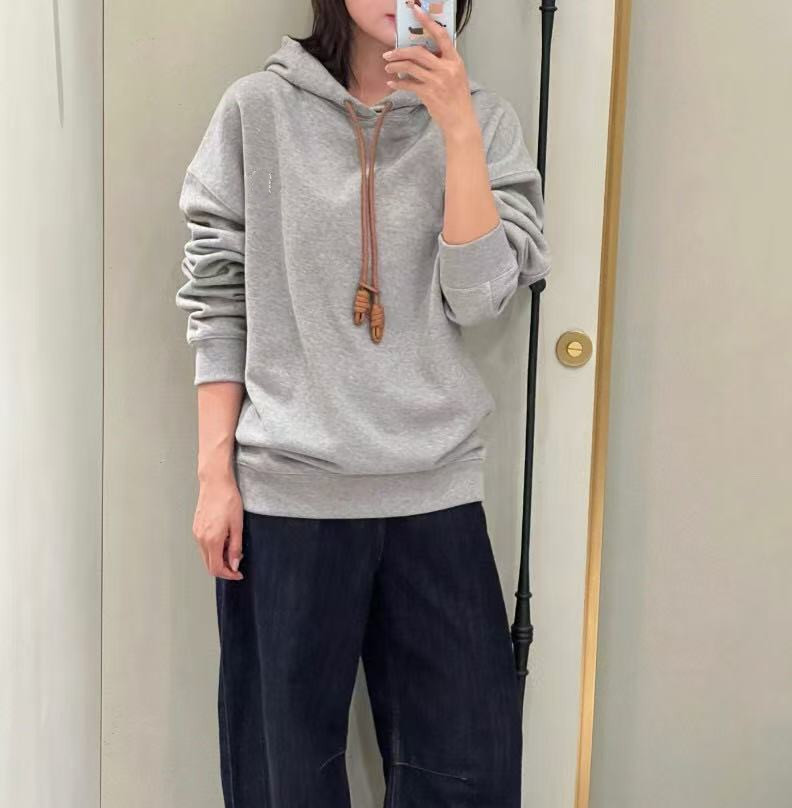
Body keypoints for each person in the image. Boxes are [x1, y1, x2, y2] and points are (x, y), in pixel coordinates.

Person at [175, 0, 552, 805]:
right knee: (283, 779)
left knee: (469, 774)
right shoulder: (256, 110)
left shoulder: (485, 122)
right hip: (287, 498)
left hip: (435, 493)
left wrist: (458, 131)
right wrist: (215, 475)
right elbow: (217, 296)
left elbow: (481, 297)